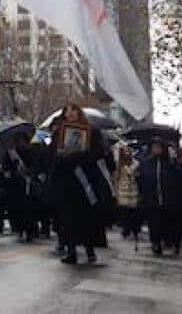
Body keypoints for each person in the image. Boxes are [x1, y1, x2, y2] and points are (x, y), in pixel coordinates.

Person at [47, 103, 112, 265]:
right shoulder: (59, 133)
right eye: (66, 111)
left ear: (78, 112)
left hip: (85, 181)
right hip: (66, 182)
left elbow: (98, 153)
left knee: (86, 217)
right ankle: (71, 251)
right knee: (67, 219)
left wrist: (81, 155)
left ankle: (90, 250)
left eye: (73, 110)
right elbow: (51, 157)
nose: (70, 114)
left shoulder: (91, 131)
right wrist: (63, 156)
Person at [137, 139, 182, 256]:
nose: (156, 149)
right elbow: (141, 180)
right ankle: (156, 243)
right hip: (151, 200)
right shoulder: (146, 163)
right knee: (154, 223)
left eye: (158, 147)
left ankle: (171, 242)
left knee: (169, 223)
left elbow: (181, 178)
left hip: (169, 200)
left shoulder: (171, 164)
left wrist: (174, 161)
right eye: (154, 147)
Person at [113, 145, 141, 247]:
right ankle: (126, 228)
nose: (127, 153)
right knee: (124, 211)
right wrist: (115, 191)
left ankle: (133, 228)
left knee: (133, 211)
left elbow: (137, 175)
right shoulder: (119, 164)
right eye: (125, 151)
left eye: (128, 151)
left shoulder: (136, 163)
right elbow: (116, 177)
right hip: (123, 189)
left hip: (133, 189)